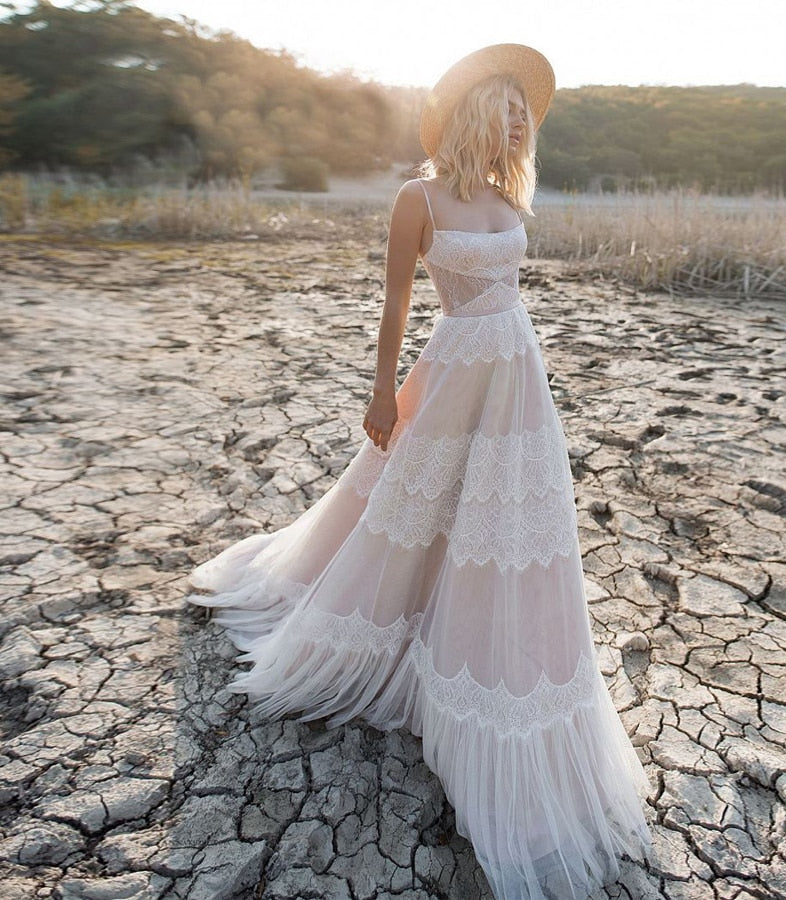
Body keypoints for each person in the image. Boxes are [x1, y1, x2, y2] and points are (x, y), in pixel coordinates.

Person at [189, 43, 651, 899]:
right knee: (418, 507)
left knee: (508, 525)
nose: (521, 118)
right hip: (453, 368)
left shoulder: (511, 193)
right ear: (473, 107)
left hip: (516, 374)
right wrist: (379, 392)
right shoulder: (418, 196)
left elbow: (507, 286)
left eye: (526, 108)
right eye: (508, 103)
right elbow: (398, 300)